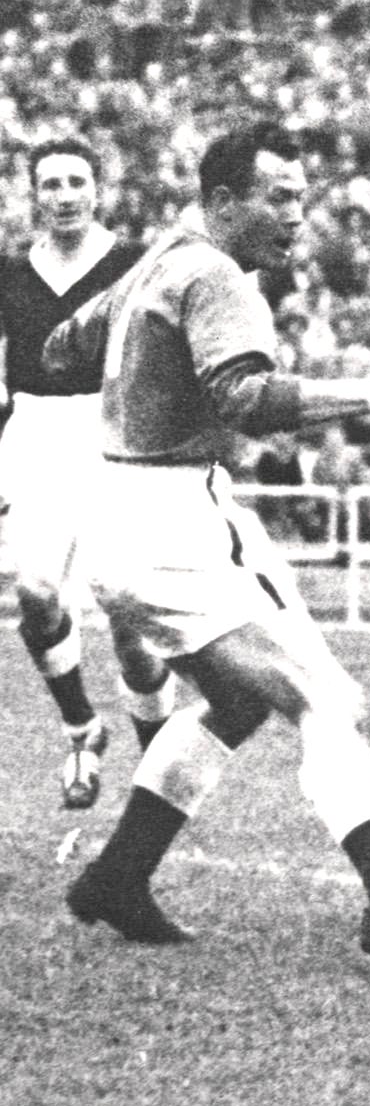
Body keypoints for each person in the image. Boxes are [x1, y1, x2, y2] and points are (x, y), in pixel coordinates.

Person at [50, 122, 370, 972]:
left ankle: (118, 876)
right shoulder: (215, 273)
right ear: (224, 200)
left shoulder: (157, 259)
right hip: (172, 519)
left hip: (127, 511)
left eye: (302, 197)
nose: (297, 216)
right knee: (322, 700)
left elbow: (64, 343)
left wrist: (138, 372)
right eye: (279, 197)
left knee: (242, 701)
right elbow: (247, 396)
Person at [1, 140, 171, 810]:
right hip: (36, 435)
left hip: (111, 433)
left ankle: (159, 764)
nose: (65, 193)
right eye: (52, 183)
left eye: (77, 180)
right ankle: (82, 727)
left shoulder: (133, 264)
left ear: (98, 189)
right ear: (34, 195)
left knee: (128, 614)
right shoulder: (11, 274)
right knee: (38, 592)